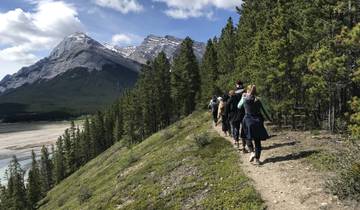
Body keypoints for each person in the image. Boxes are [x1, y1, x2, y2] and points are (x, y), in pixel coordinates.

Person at [238, 85, 271, 165]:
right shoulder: (258, 99)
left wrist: (243, 97)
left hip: (248, 120)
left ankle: (251, 151)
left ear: (247, 91)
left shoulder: (244, 98)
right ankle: (257, 159)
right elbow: (265, 110)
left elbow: (238, 106)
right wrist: (269, 118)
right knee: (257, 141)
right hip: (257, 120)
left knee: (246, 137)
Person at [227, 81, 246, 151]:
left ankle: (237, 141)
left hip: (234, 116)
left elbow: (227, 109)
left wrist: (227, 117)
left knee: (236, 129)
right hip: (243, 113)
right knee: (243, 129)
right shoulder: (245, 92)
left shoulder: (234, 96)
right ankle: (244, 146)